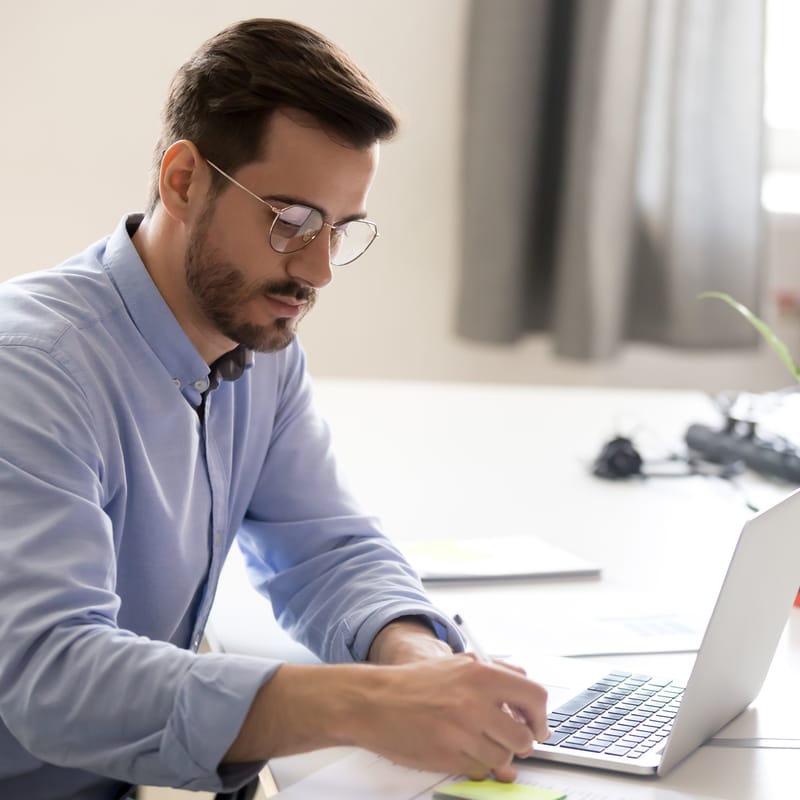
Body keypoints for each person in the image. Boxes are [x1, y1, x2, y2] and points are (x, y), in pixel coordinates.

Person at [0, 18, 549, 800]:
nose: (319, 271)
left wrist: (422, 664)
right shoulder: (29, 373)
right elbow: (56, 681)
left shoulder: (260, 346)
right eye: (291, 222)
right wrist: (370, 704)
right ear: (183, 179)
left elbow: (325, 550)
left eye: (339, 230)